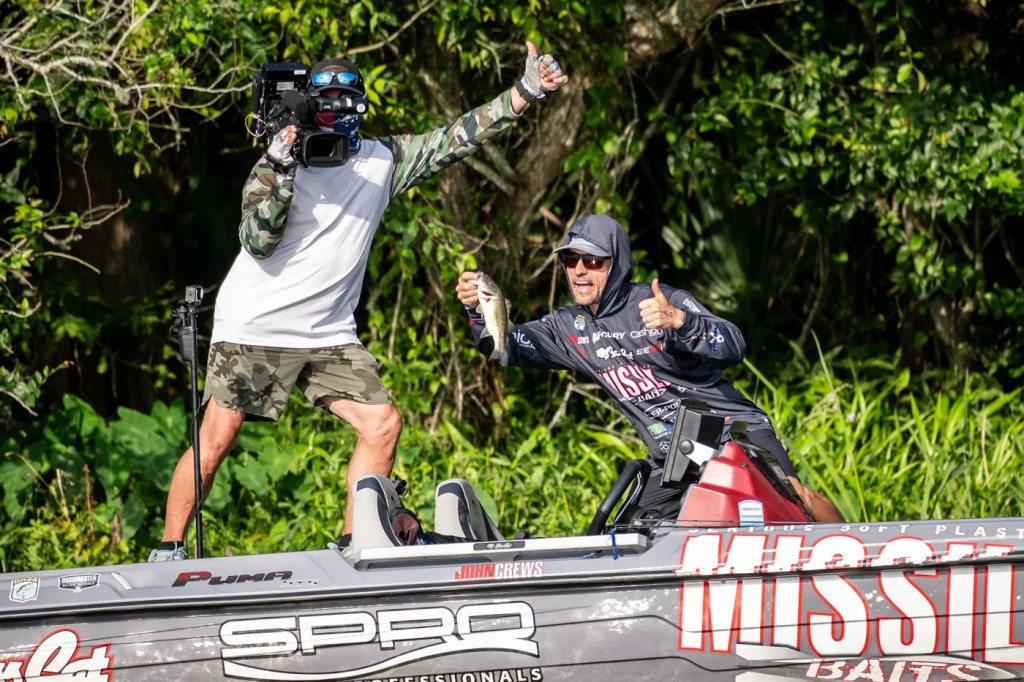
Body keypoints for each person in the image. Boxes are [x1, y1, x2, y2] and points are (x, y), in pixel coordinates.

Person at [147, 42, 569, 562]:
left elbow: (457, 137)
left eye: (345, 103)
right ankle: (167, 552)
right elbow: (258, 241)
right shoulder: (275, 161)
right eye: (323, 104)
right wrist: (282, 166)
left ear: (361, 108)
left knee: (382, 424)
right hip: (255, 325)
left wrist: (527, 90)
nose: (334, 115)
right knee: (217, 437)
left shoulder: (382, 159)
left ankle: (353, 548)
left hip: (328, 333)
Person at [454, 214, 843, 523]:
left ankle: (852, 550)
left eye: (593, 261)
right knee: (632, 534)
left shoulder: (658, 301)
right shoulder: (567, 326)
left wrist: (681, 322)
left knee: (794, 498)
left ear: (616, 264)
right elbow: (503, 348)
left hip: (731, 429)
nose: (579, 271)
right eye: (571, 261)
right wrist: (477, 309)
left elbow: (734, 344)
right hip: (676, 453)